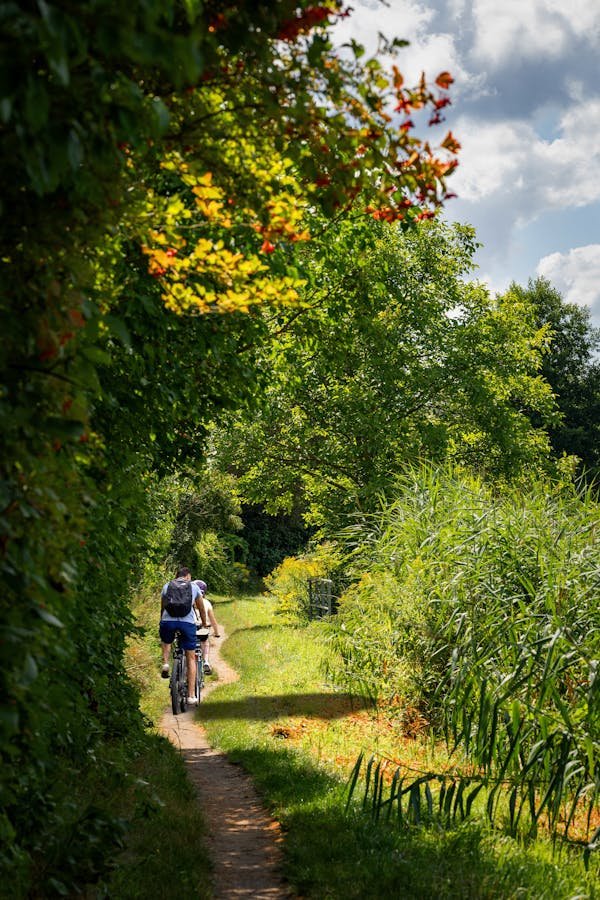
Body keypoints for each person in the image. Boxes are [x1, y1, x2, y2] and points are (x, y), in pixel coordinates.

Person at [160, 567, 208, 706]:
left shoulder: (167, 586)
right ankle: (191, 695)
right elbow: (201, 608)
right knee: (191, 657)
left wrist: (162, 621)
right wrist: (204, 624)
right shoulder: (194, 587)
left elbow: (163, 607)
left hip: (168, 622)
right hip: (187, 624)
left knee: (166, 640)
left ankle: (165, 663)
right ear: (188, 576)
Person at [192, 579, 220, 675]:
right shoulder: (206, 602)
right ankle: (206, 661)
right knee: (205, 642)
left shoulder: (189, 600)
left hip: (189, 627)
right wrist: (216, 633)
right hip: (201, 629)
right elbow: (213, 620)